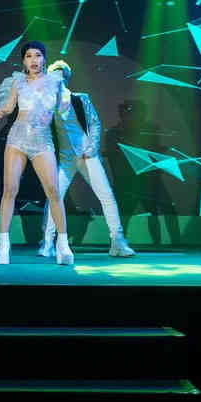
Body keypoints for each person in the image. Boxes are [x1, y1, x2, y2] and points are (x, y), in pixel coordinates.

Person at [0, 41, 74, 265]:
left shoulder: (55, 81)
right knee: (10, 190)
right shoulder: (18, 81)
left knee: (53, 191)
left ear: (44, 58)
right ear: (23, 60)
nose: (33, 60)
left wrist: (63, 102)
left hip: (42, 140)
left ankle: (63, 245)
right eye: (29, 56)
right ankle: (4, 246)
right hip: (17, 139)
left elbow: (62, 107)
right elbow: (7, 108)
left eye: (37, 55)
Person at [38, 61, 135, 258]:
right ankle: (47, 243)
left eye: (61, 75)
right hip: (65, 158)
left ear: (66, 78)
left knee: (106, 195)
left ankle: (117, 241)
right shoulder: (47, 103)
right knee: (54, 197)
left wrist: (92, 147)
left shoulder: (80, 99)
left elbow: (94, 123)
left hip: (87, 155)